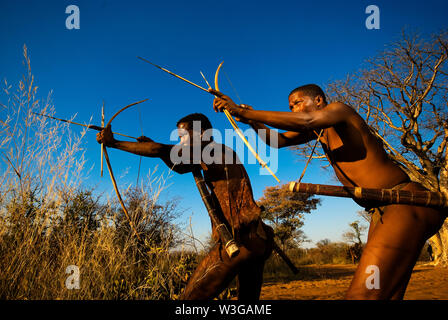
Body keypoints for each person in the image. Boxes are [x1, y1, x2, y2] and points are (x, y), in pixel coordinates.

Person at [211, 84, 446, 300]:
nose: (294, 109)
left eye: (298, 103)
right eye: (291, 106)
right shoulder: (317, 132)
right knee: (385, 293)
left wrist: (248, 113)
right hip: (383, 211)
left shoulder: (339, 111)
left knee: (363, 294)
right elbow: (277, 141)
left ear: (319, 100)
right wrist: (248, 119)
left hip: (405, 202)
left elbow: (307, 121)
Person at [96, 112, 273, 300]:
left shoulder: (209, 149)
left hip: (241, 239)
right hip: (259, 237)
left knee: (188, 300)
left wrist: (114, 143)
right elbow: (178, 165)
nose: (180, 142)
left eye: (183, 137)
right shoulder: (219, 150)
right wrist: (152, 146)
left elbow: (161, 150)